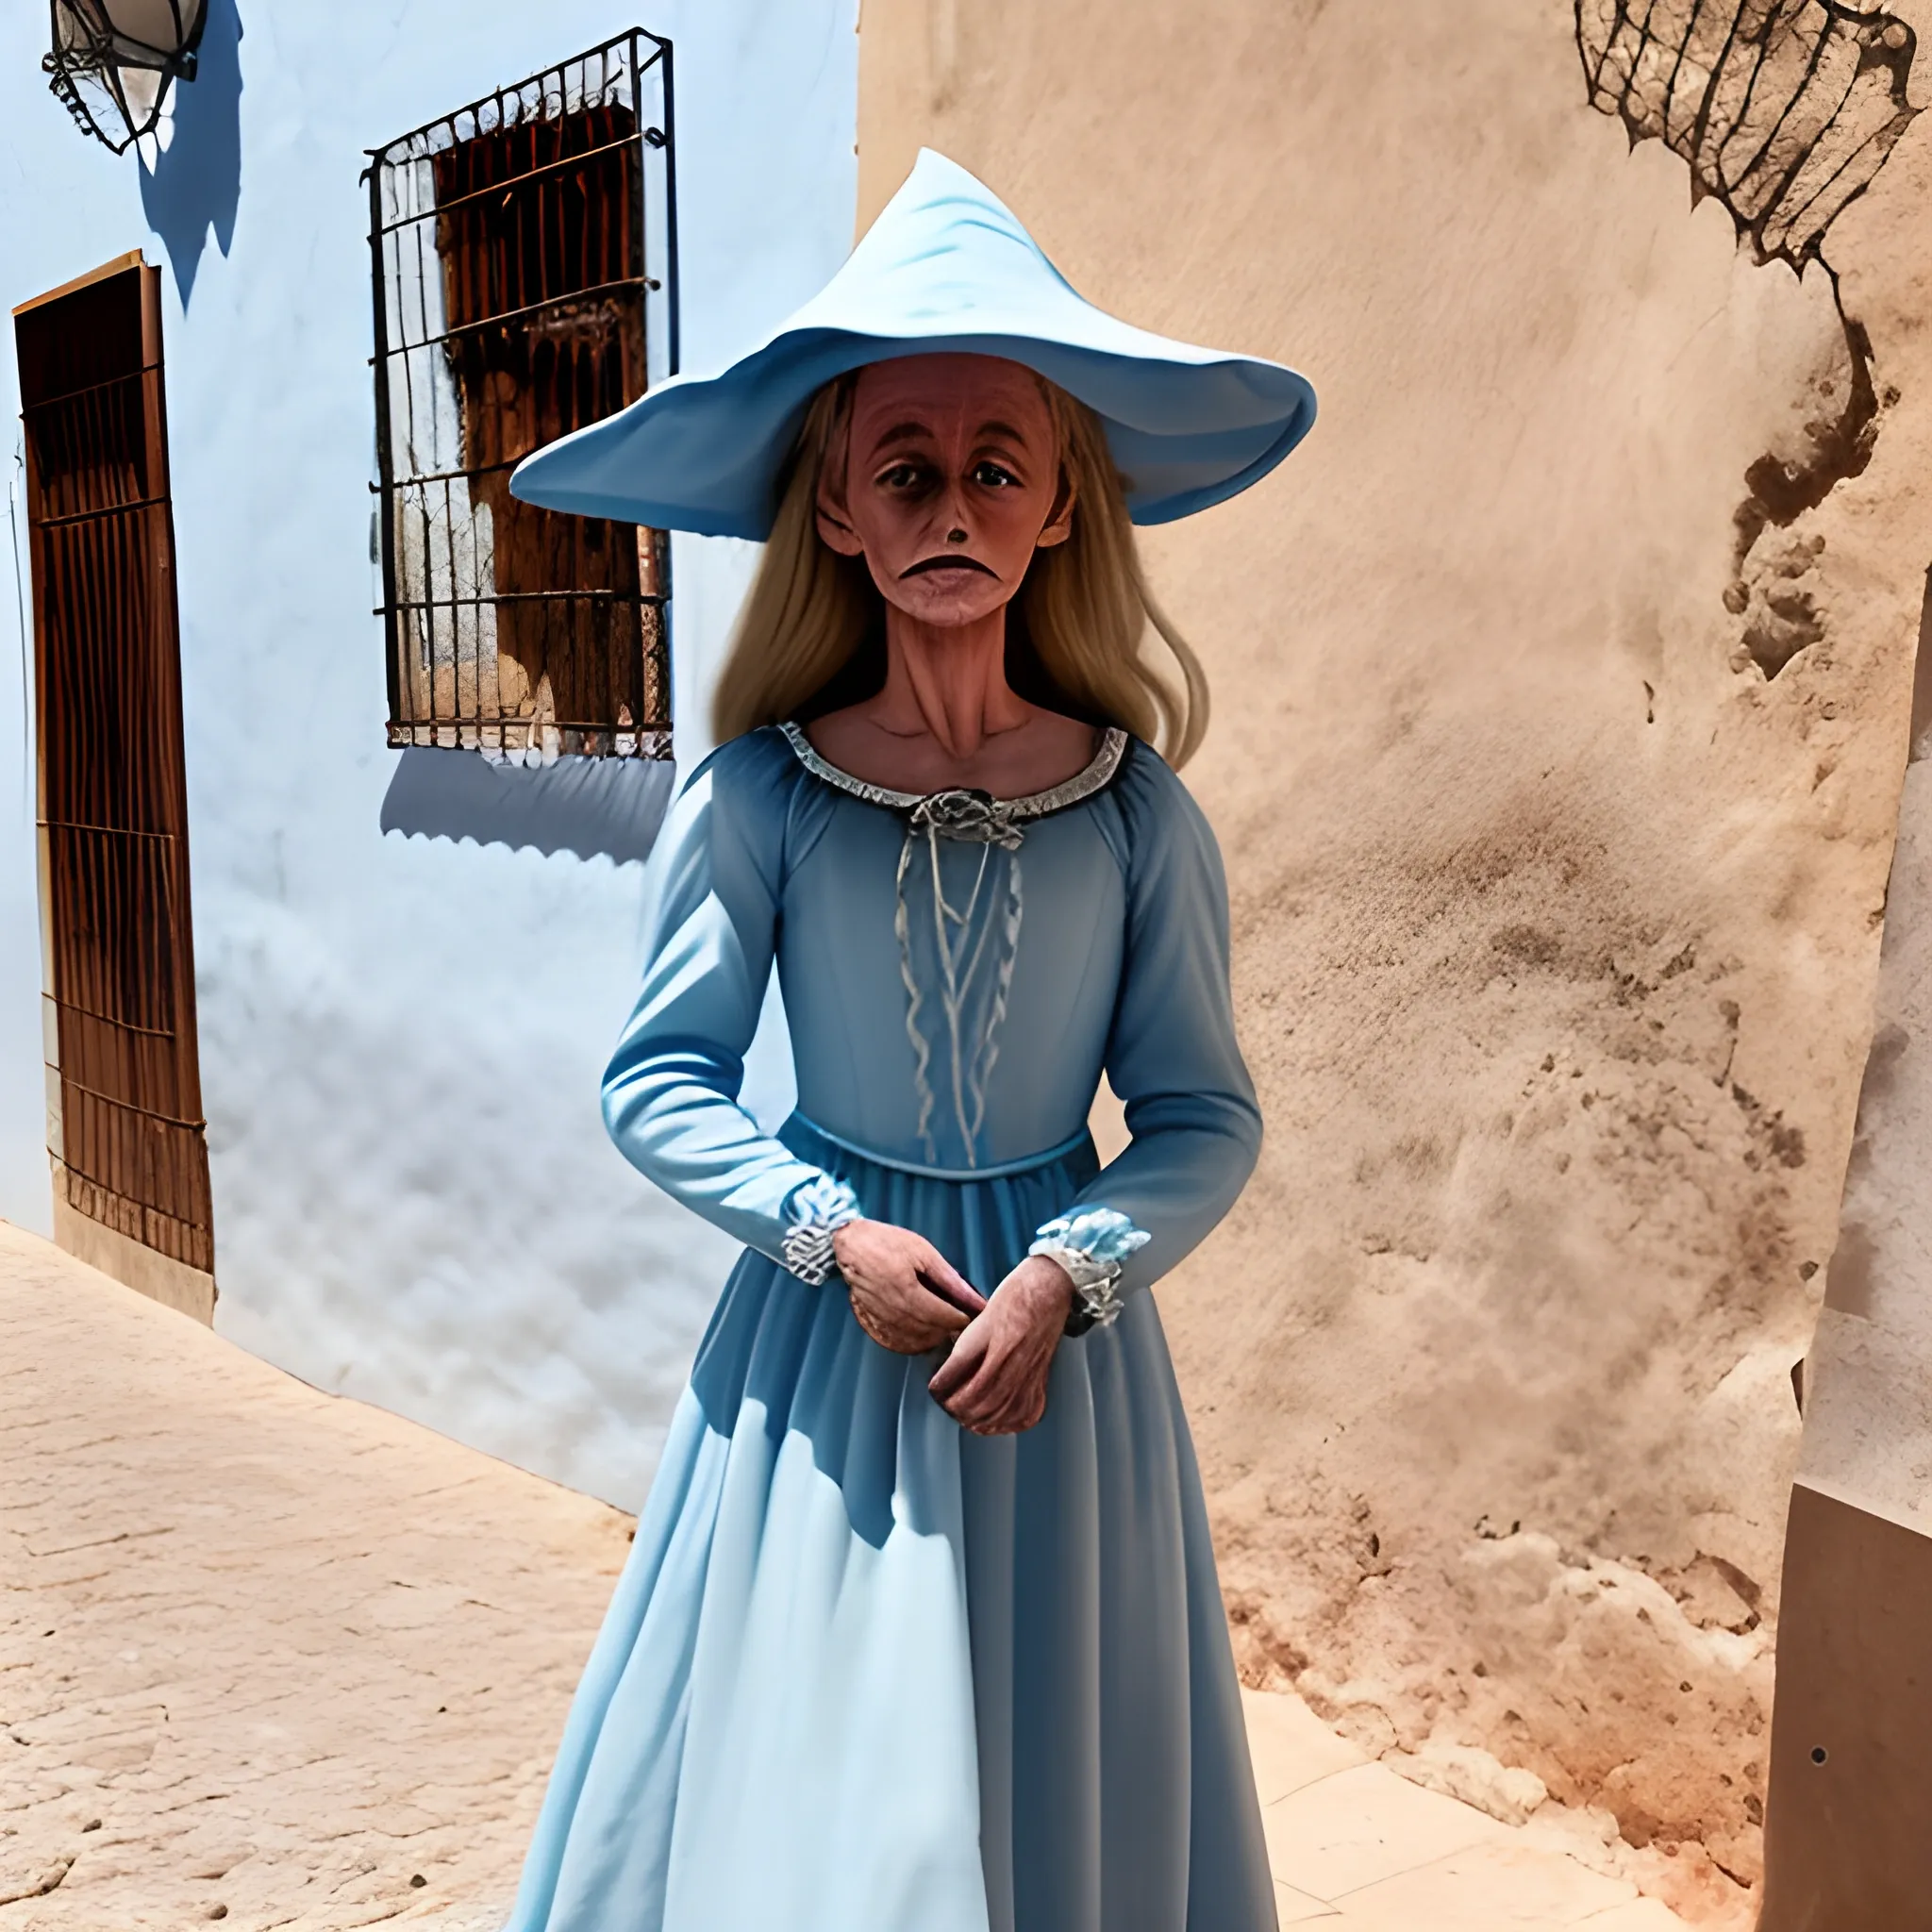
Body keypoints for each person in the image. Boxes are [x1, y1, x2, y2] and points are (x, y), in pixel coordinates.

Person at [500, 150, 1316, 1932]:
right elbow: (659, 1078)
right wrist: (833, 1238)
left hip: (1065, 1375)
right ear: (842, 511)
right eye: (910, 469)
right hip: (825, 1365)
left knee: (1052, 1796)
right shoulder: (760, 798)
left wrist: (1065, 1277)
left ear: (1062, 511)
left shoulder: (1136, 816)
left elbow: (1199, 1113)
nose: (954, 503)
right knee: (847, 1826)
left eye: (995, 468)